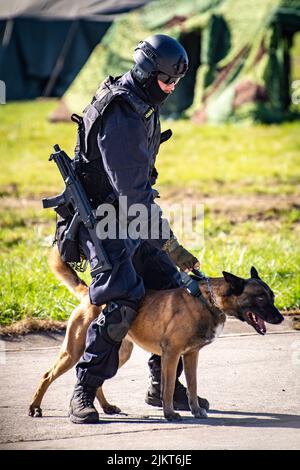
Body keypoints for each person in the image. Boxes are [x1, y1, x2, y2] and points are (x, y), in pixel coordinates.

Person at [67, 34, 200, 424]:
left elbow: (137, 199)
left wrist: (166, 254)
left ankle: (164, 386)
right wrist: (171, 244)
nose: (171, 88)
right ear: (145, 74)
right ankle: (84, 389)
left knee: (173, 288)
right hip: (101, 219)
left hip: (130, 216)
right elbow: (133, 195)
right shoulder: (123, 115)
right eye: (166, 81)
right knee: (123, 298)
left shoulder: (142, 102)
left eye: (175, 82)